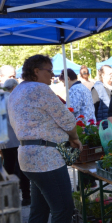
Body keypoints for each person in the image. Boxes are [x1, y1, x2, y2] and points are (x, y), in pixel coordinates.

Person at [7, 54, 83, 222]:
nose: (53, 75)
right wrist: (74, 137)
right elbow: (67, 120)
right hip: (46, 158)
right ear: (36, 71)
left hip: (28, 157)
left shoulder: (16, 91)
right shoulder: (40, 89)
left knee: (39, 210)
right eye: (49, 71)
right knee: (64, 209)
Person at [2, 79, 31, 206]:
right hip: (17, 139)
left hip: (4, 141)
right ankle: (26, 196)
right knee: (22, 168)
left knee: (7, 167)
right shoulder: (14, 99)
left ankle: (8, 197)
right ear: (14, 87)